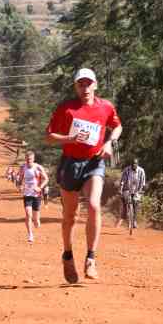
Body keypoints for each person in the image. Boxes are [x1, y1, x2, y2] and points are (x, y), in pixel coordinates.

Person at [45, 68, 122, 283]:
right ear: (75, 87)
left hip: (94, 163)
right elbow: (49, 136)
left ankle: (91, 258)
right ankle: (67, 255)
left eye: (89, 83)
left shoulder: (105, 107)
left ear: (95, 85)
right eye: (81, 84)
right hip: (71, 164)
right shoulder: (66, 109)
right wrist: (69, 138)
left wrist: (109, 142)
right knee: (70, 216)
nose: (85, 88)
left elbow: (117, 127)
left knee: (94, 205)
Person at [17, 151, 49, 243]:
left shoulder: (38, 167)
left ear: (33, 159)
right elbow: (20, 180)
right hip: (27, 194)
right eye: (27, 159)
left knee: (36, 221)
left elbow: (46, 179)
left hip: (36, 195)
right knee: (28, 214)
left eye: (30, 159)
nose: (28, 160)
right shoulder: (22, 168)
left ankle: (37, 220)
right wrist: (20, 186)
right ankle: (30, 234)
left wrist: (40, 187)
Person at [118, 158, 146, 229]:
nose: (134, 165)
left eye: (135, 164)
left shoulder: (141, 171)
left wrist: (140, 191)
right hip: (127, 189)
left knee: (136, 202)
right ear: (131, 164)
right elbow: (122, 181)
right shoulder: (126, 170)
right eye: (133, 164)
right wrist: (120, 189)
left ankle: (134, 221)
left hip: (137, 190)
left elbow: (142, 183)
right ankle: (124, 215)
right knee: (125, 199)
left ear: (137, 164)